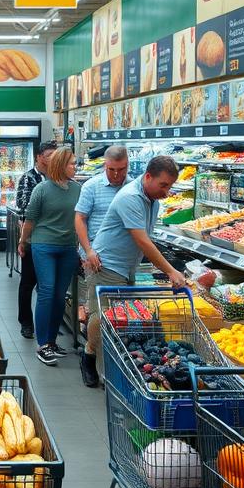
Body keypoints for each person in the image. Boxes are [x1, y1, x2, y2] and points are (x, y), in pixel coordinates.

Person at [85, 156, 185, 374]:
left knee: (120, 320)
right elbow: (142, 240)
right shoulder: (130, 197)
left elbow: (145, 238)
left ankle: (108, 365)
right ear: (148, 176)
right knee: (104, 319)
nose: (167, 191)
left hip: (127, 267)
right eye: (164, 185)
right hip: (106, 265)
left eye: (170, 185)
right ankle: (99, 368)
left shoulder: (152, 199)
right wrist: (170, 270)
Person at [18, 148, 81, 366]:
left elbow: (81, 221)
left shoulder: (78, 189)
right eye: (72, 163)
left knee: (59, 295)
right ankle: (43, 344)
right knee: (46, 290)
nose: (75, 167)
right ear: (61, 165)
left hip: (68, 247)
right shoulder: (42, 189)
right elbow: (30, 220)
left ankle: (52, 341)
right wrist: (22, 241)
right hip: (43, 245)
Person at [74, 145, 130, 387]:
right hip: (97, 260)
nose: (116, 175)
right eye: (111, 169)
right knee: (100, 313)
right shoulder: (92, 186)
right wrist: (88, 250)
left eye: (122, 169)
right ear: (104, 165)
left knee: (121, 315)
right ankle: (89, 355)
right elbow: (80, 219)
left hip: (126, 261)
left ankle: (115, 362)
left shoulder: (134, 187)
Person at [14, 140, 58, 339]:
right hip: (32, 239)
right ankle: (25, 322)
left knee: (47, 285)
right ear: (39, 157)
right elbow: (24, 208)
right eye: (50, 155)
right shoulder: (28, 178)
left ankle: (46, 323)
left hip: (54, 240)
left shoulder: (58, 178)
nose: (53, 159)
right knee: (28, 282)